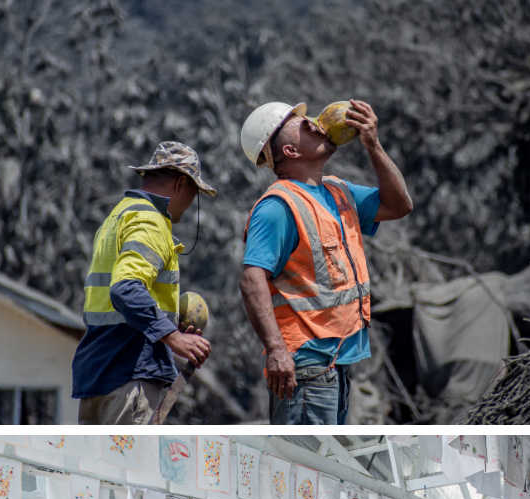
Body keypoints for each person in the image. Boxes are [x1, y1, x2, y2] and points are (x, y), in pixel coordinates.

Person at [237, 100, 413, 424]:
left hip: (336, 365)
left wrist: (373, 145)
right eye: (303, 124)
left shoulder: (337, 191)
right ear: (289, 151)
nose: (316, 123)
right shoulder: (277, 206)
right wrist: (276, 350)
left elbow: (400, 204)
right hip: (304, 367)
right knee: (306, 464)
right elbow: (251, 279)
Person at [71, 142, 215, 424]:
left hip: (98, 375)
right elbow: (126, 288)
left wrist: (167, 324)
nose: (191, 201)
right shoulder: (151, 221)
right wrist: (173, 338)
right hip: (129, 375)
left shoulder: (118, 215)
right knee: (129, 467)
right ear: (180, 184)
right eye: (194, 192)